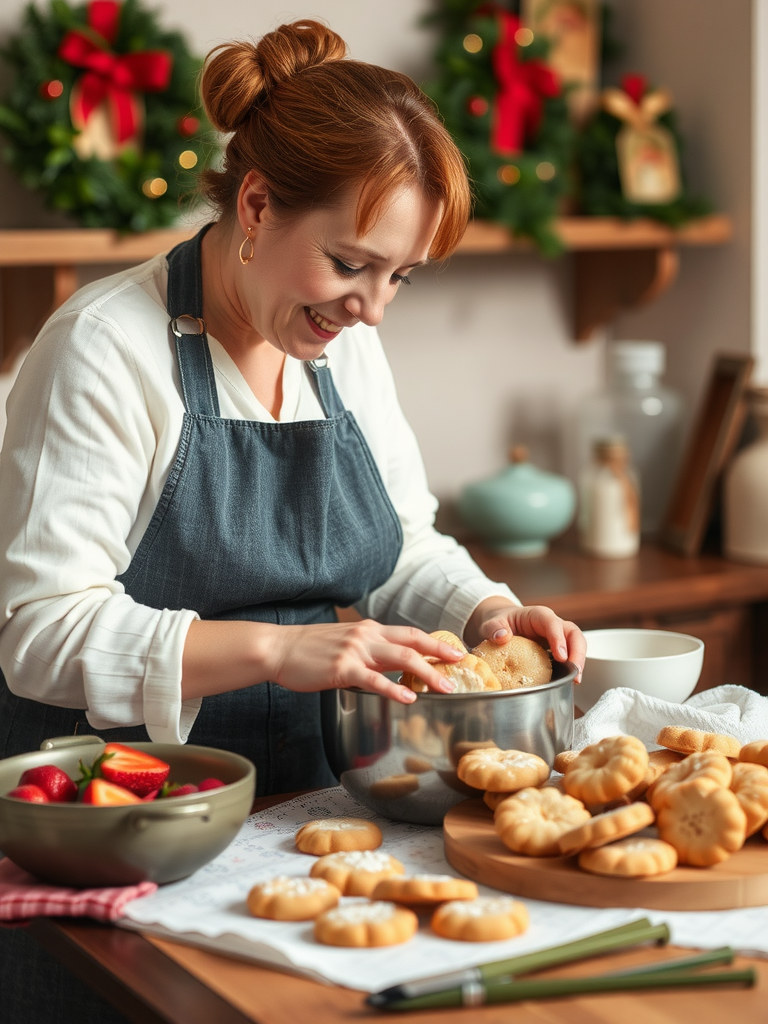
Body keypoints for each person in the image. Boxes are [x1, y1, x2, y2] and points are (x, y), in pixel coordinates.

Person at [0, 21, 585, 1022]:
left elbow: (401, 543)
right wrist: (282, 647)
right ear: (259, 206)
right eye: (353, 264)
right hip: (132, 827)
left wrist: (487, 609)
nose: (374, 310)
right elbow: (38, 633)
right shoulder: (106, 349)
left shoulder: (338, 347)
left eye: (399, 276)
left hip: (312, 816)